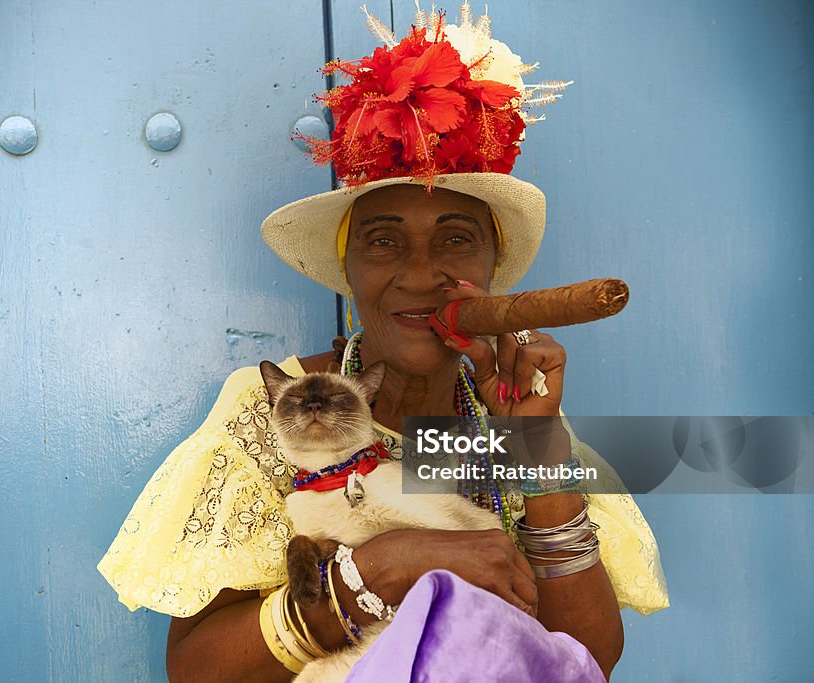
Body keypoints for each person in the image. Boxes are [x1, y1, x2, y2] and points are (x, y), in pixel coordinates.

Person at [98, 5, 667, 681]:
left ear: (490, 268)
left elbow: (585, 658)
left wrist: (537, 449)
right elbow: (198, 669)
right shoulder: (274, 408)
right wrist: (386, 564)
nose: (420, 274)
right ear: (349, 270)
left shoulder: (512, 418)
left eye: (455, 239)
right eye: (383, 240)